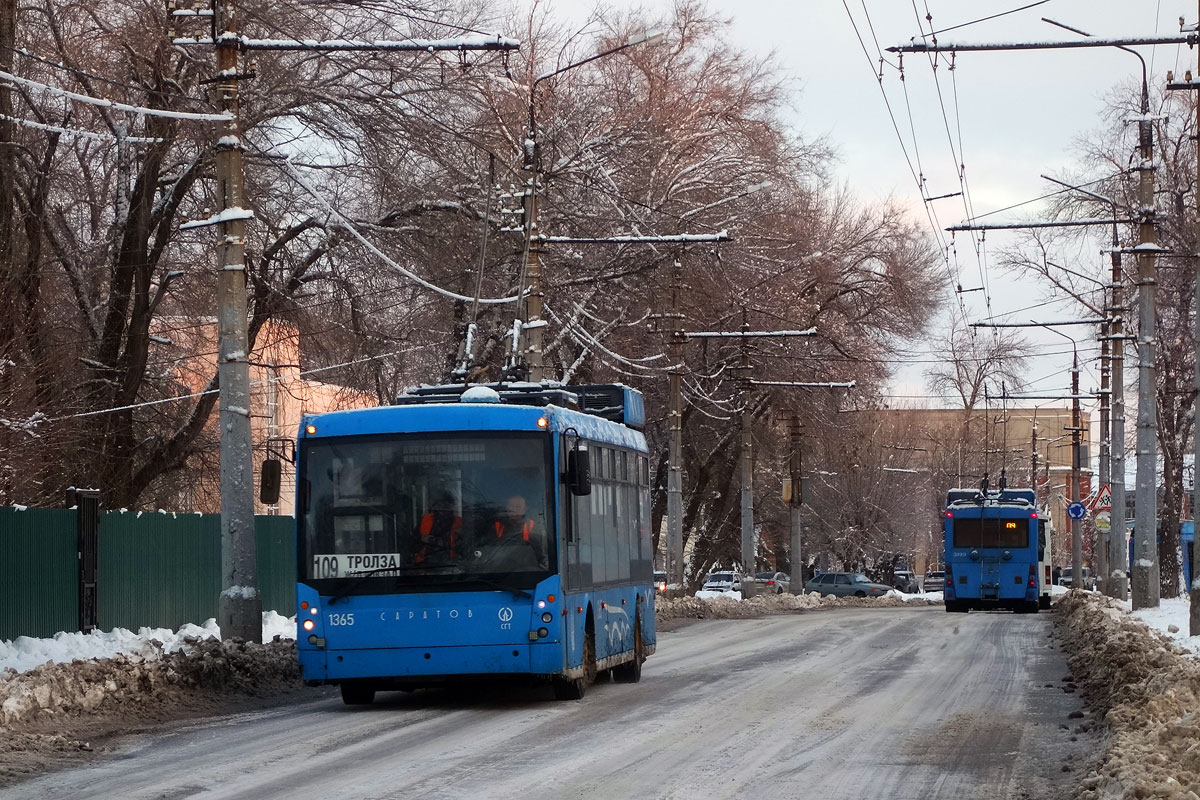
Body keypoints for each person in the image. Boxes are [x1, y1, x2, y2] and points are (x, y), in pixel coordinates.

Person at [492, 494, 547, 569]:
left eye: (518, 507)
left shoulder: (534, 527)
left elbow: (541, 554)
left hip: (529, 570)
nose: (514, 510)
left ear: (525, 509)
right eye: (511, 507)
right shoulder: (497, 526)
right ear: (506, 508)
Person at [414, 493, 461, 563]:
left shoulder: (459, 523)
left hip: (452, 565)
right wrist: (420, 539)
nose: (442, 507)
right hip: (424, 565)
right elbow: (412, 545)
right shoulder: (426, 520)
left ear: (452, 506)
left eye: (446, 505)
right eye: (440, 504)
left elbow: (465, 548)